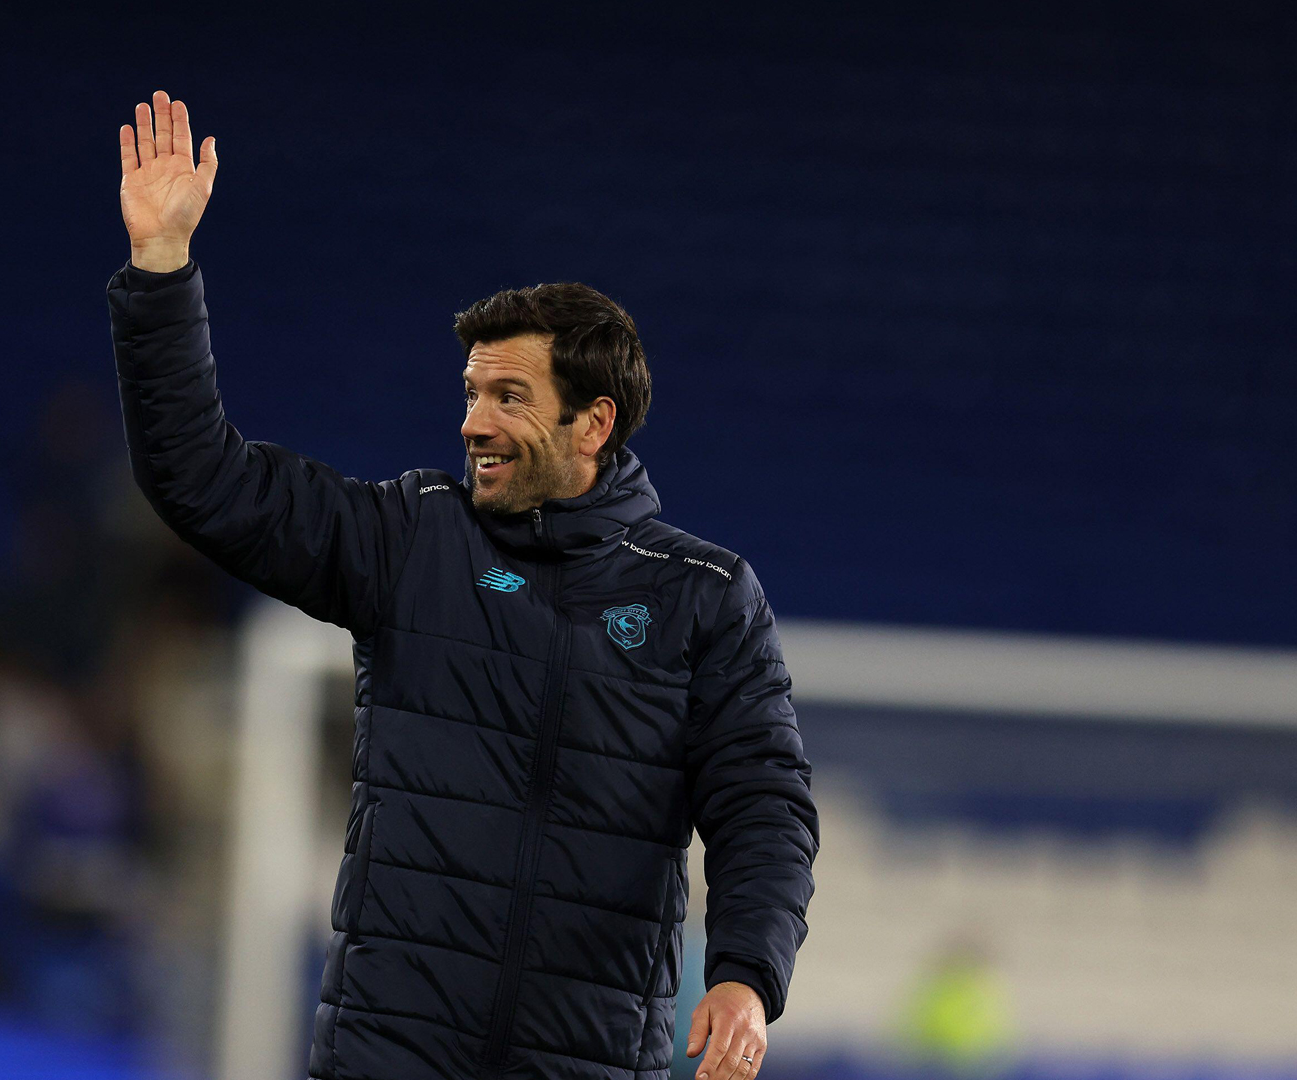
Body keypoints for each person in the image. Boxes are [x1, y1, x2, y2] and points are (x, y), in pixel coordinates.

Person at [109, 91, 818, 1080]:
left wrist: (745, 974)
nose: (473, 422)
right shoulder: (413, 538)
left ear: (594, 423)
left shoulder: (703, 596)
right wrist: (160, 266)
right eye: (472, 393)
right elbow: (203, 480)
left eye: (508, 397)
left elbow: (764, 807)